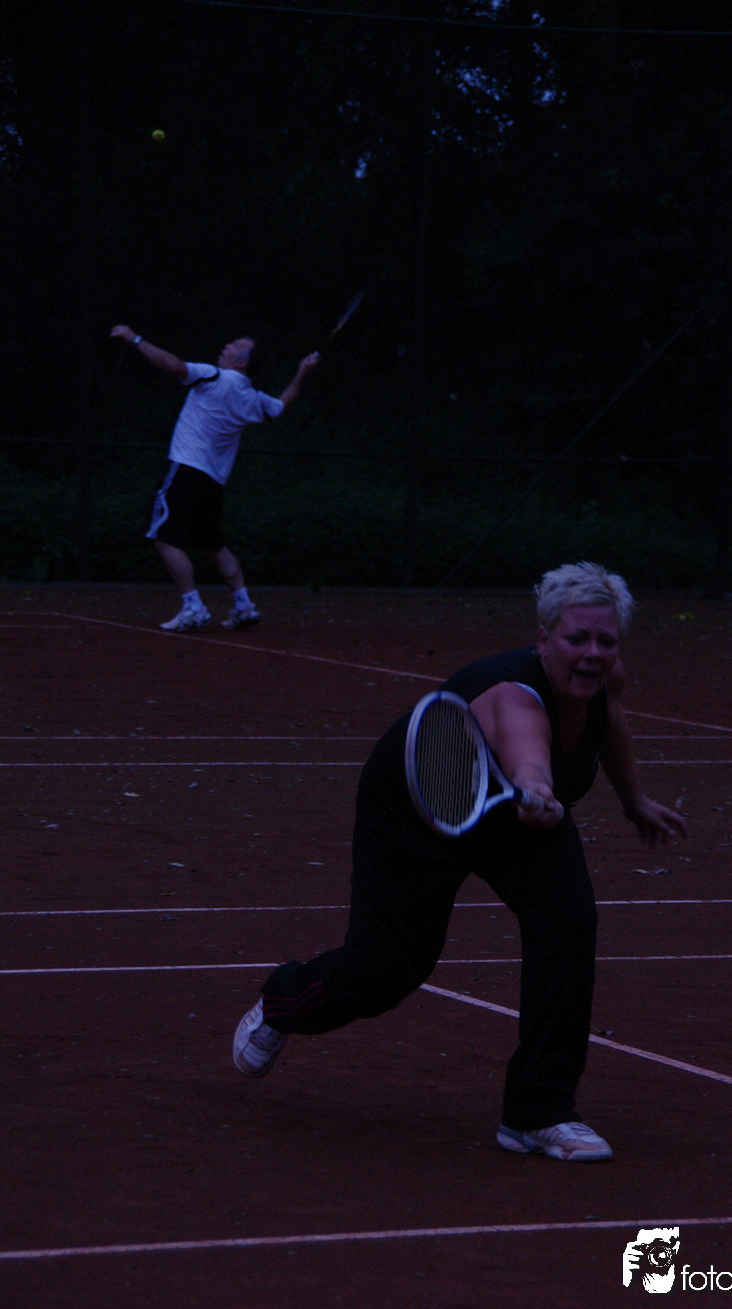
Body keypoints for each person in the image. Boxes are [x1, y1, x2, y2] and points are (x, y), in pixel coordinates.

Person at [233, 562, 688, 1162]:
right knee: (388, 971)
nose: (593, 653)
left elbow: (610, 722)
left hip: (513, 810)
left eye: (606, 641)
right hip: (420, 806)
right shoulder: (515, 698)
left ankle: (538, 1113)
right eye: (577, 638)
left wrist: (634, 802)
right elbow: (528, 752)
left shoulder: (601, 678)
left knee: (568, 920)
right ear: (543, 638)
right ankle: (282, 1002)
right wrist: (537, 787)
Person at [109, 325, 320, 631]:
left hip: (186, 469)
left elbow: (173, 365)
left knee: (164, 539)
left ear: (241, 362)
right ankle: (244, 605)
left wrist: (135, 339)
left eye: (234, 345)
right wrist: (302, 373)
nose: (226, 345)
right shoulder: (252, 398)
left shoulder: (213, 376)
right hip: (213, 482)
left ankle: (193, 607)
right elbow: (280, 407)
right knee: (214, 544)